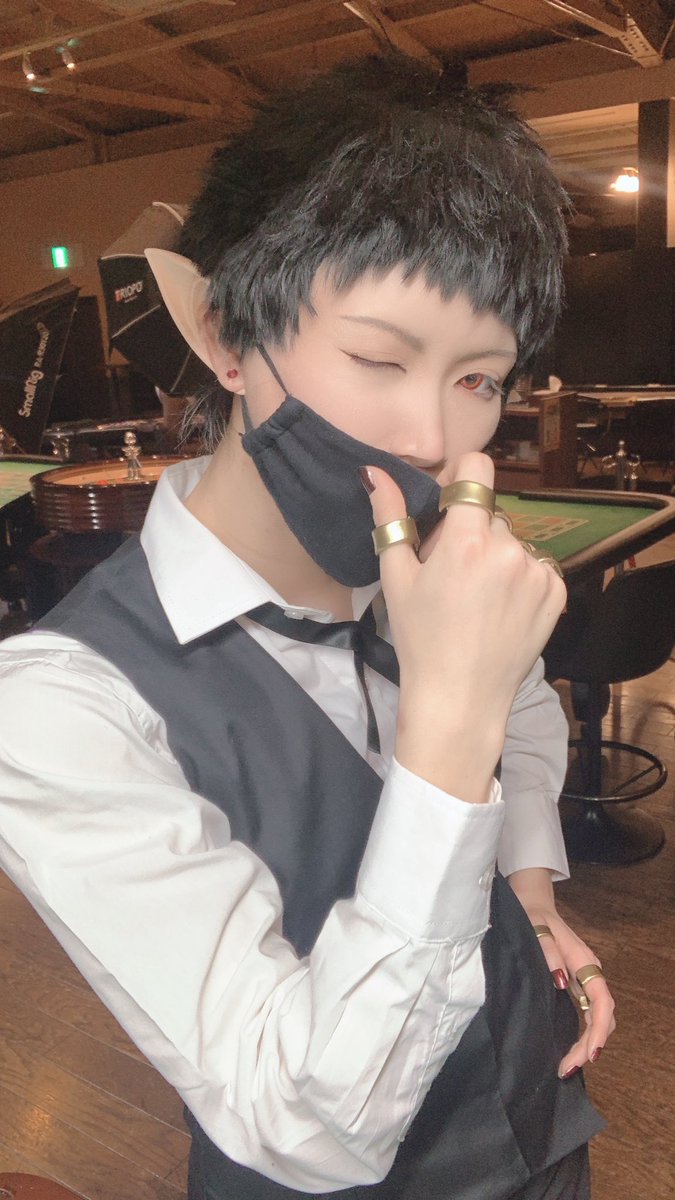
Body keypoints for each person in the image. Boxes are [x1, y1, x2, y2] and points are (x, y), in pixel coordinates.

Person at [0, 54, 614, 1200]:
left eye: (480, 379)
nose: (429, 438)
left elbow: (523, 709)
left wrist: (529, 886)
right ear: (230, 340)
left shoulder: (422, 571)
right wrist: (447, 725)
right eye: (380, 358)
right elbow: (302, 1122)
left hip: (544, 1132)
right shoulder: (63, 706)